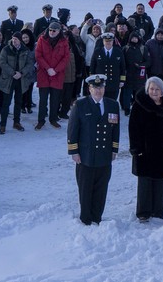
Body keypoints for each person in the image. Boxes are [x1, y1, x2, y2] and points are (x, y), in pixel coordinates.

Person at [67, 75, 119, 225]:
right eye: (95, 88)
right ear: (89, 89)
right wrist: (74, 152)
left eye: (101, 87)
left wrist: (114, 149)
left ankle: (97, 218)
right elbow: (72, 130)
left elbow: (115, 130)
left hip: (104, 156)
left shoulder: (112, 105)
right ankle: (85, 219)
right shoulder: (80, 105)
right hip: (85, 156)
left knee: (101, 189)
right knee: (85, 189)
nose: (98, 91)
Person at [127, 75, 163, 222]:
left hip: (162, 149)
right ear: (147, 90)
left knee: (159, 180)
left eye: (157, 89)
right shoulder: (139, 105)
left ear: (162, 91)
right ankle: (143, 212)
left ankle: (157, 211)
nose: (154, 91)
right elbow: (133, 128)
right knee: (145, 182)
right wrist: (136, 148)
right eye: (151, 88)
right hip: (145, 149)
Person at [35, 20, 69, 130]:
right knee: (43, 99)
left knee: (55, 100)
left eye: (54, 30)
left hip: (57, 74)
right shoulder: (42, 39)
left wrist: (56, 70)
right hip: (44, 73)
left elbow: (66, 58)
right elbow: (38, 55)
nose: (51, 32)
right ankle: (41, 120)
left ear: (59, 31)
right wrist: (48, 68)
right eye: (50, 30)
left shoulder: (64, 42)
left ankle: (53, 119)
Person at [0, 32, 33, 134]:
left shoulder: (25, 50)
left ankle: (16, 122)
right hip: (9, 79)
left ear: (20, 40)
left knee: (18, 102)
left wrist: (21, 73)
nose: (14, 41)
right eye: (13, 39)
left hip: (20, 80)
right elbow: (2, 62)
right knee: (6, 103)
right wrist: (12, 73)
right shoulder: (6, 49)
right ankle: (3, 125)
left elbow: (29, 64)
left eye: (16, 39)